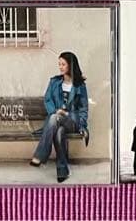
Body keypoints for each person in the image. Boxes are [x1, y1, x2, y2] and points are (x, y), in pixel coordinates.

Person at [29, 52, 89, 183]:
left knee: (54, 118)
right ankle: (63, 170)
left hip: (72, 121)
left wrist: (82, 125)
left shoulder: (80, 86)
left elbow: (83, 109)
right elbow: (48, 100)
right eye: (59, 64)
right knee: (59, 131)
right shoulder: (54, 82)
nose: (60, 67)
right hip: (56, 120)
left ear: (71, 65)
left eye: (63, 64)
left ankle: (40, 155)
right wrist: (56, 111)